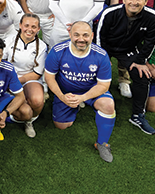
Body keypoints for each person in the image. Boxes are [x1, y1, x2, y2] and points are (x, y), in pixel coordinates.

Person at [44, 22, 116, 163]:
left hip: (90, 92)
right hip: (66, 93)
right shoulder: (58, 51)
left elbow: (104, 85)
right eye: (76, 35)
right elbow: (49, 77)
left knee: (108, 105)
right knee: (62, 126)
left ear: (92, 36)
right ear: (70, 34)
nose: (81, 39)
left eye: (85, 35)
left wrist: (83, 97)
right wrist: (62, 97)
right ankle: (73, 106)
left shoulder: (101, 55)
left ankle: (102, 143)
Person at [96, 0, 155, 135]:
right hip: (107, 47)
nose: (134, 2)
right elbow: (100, 36)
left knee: (142, 76)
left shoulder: (153, 17)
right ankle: (91, 98)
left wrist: (140, 61)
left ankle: (138, 115)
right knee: (95, 70)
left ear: (146, 1)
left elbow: (151, 42)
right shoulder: (110, 12)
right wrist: (102, 59)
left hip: (130, 49)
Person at [4, 13, 47, 138]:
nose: (30, 29)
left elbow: (37, 73)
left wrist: (18, 81)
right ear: (20, 26)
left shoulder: (42, 46)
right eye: (26, 25)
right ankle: (17, 113)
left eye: (34, 27)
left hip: (29, 78)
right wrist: (9, 80)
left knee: (37, 100)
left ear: (38, 29)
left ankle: (29, 122)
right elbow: (2, 64)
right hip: (9, 77)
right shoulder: (9, 40)